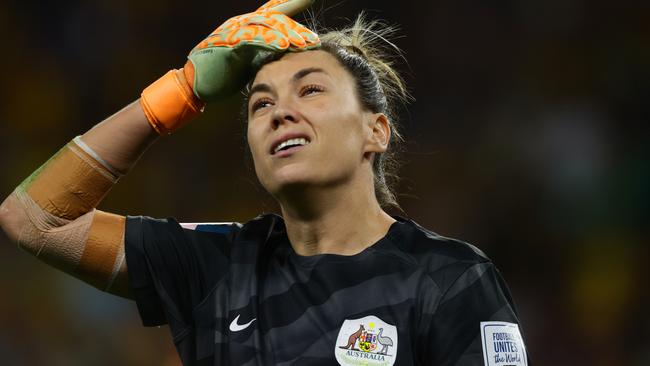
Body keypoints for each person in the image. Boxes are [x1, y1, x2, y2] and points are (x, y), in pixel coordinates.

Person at [0, 0, 531, 365]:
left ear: (376, 130)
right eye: (260, 103)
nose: (281, 113)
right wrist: (180, 93)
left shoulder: (450, 279)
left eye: (312, 90)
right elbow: (35, 219)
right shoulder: (218, 267)